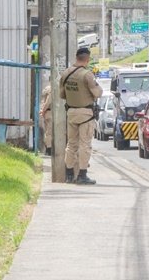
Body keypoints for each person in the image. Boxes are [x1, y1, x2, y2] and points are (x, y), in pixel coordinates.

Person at [61, 47, 103, 184]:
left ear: (76, 57)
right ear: (87, 59)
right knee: (85, 145)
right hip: (86, 114)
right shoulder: (87, 75)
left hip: (71, 113)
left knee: (71, 144)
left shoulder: (66, 73)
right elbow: (97, 93)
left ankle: (68, 175)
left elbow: (62, 95)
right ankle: (82, 175)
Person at [40, 82, 53, 155]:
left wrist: (42, 110)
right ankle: (49, 149)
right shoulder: (52, 89)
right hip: (50, 112)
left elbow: (43, 101)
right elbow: (48, 102)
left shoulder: (46, 88)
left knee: (48, 132)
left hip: (47, 113)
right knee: (50, 132)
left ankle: (48, 148)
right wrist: (43, 110)